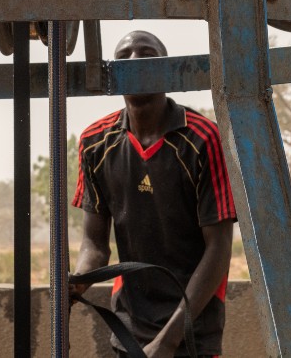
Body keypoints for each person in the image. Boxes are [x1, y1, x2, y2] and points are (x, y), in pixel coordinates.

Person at [70, 30, 236, 358]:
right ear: (112, 75)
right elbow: (95, 246)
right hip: (130, 326)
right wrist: (76, 282)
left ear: (166, 69)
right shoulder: (95, 143)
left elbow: (219, 250)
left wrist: (170, 339)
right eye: (124, 56)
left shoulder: (203, 138)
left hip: (192, 327)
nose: (133, 61)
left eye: (146, 55)